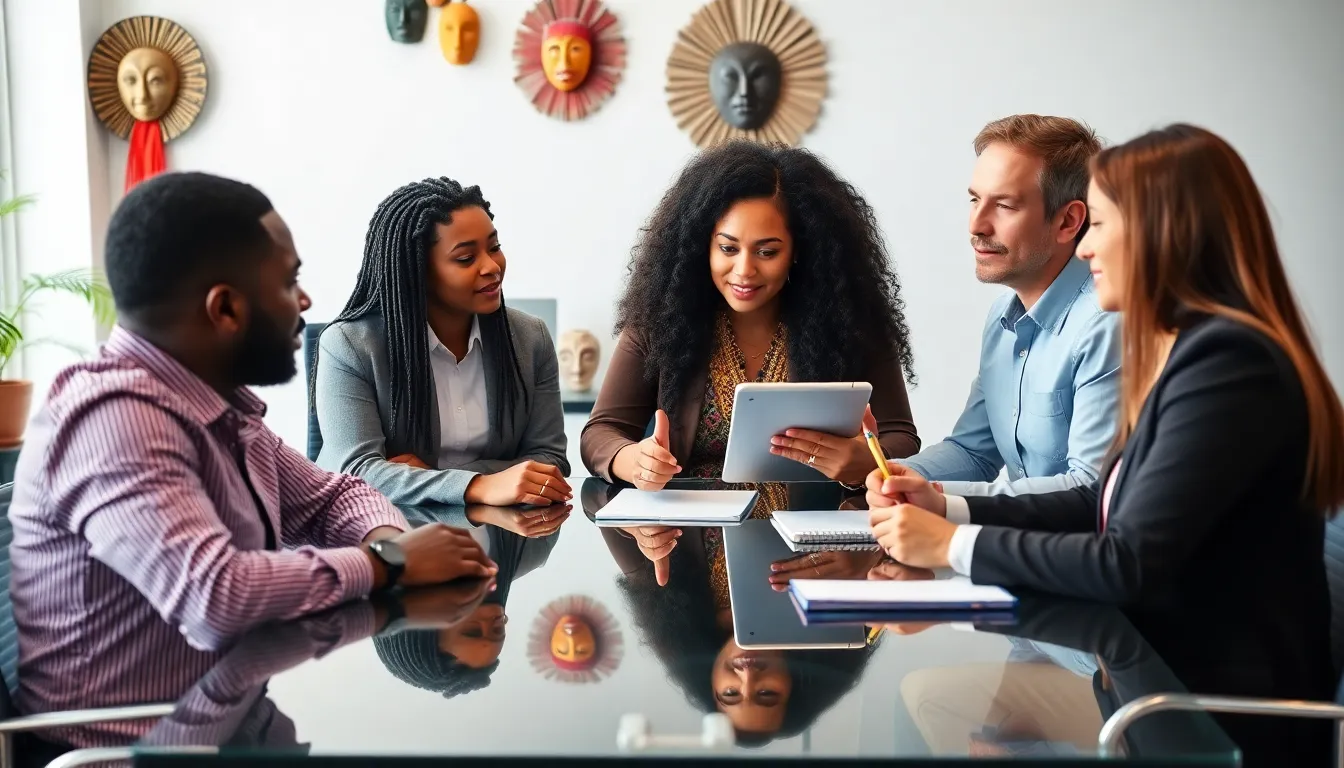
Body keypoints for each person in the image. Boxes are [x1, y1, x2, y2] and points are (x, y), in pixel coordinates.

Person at [866, 124, 1344, 765]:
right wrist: (948, 506)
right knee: (935, 701)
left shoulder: (1232, 366)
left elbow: (1127, 562)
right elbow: (1102, 505)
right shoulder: (1194, 353)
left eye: (1101, 226)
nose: (1087, 250)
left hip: (1209, 716)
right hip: (1153, 679)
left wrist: (952, 546)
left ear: (1162, 234)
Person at [7, 172, 497, 734]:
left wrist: (390, 540)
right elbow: (215, 599)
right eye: (290, 283)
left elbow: (329, 497)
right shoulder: (112, 418)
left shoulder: (215, 403)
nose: (306, 301)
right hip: (134, 746)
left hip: (230, 720)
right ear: (225, 309)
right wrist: (390, 565)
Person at [580, 140, 920, 582]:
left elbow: (901, 436)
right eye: (728, 248)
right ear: (702, 245)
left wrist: (864, 463)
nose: (743, 271)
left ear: (799, 250)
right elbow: (601, 432)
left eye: (766, 251)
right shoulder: (659, 321)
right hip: (685, 538)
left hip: (815, 547)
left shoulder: (851, 325)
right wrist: (632, 460)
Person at [314, 177, 571, 507]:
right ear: (417, 271)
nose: (492, 267)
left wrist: (434, 475)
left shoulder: (530, 338)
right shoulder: (349, 346)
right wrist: (480, 486)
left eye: (494, 247)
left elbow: (550, 461)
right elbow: (357, 472)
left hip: (500, 539)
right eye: (466, 259)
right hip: (381, 540)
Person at [898, 115, 1120, 497]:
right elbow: (973, 452)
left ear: (1068, 221)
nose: (977, 225)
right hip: (1019, 544)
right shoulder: (1002, 316)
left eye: (1004, 205)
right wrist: (887, 475)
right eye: (974, 200)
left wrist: (935, 501)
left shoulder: (1105, 324)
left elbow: (1089, 488)